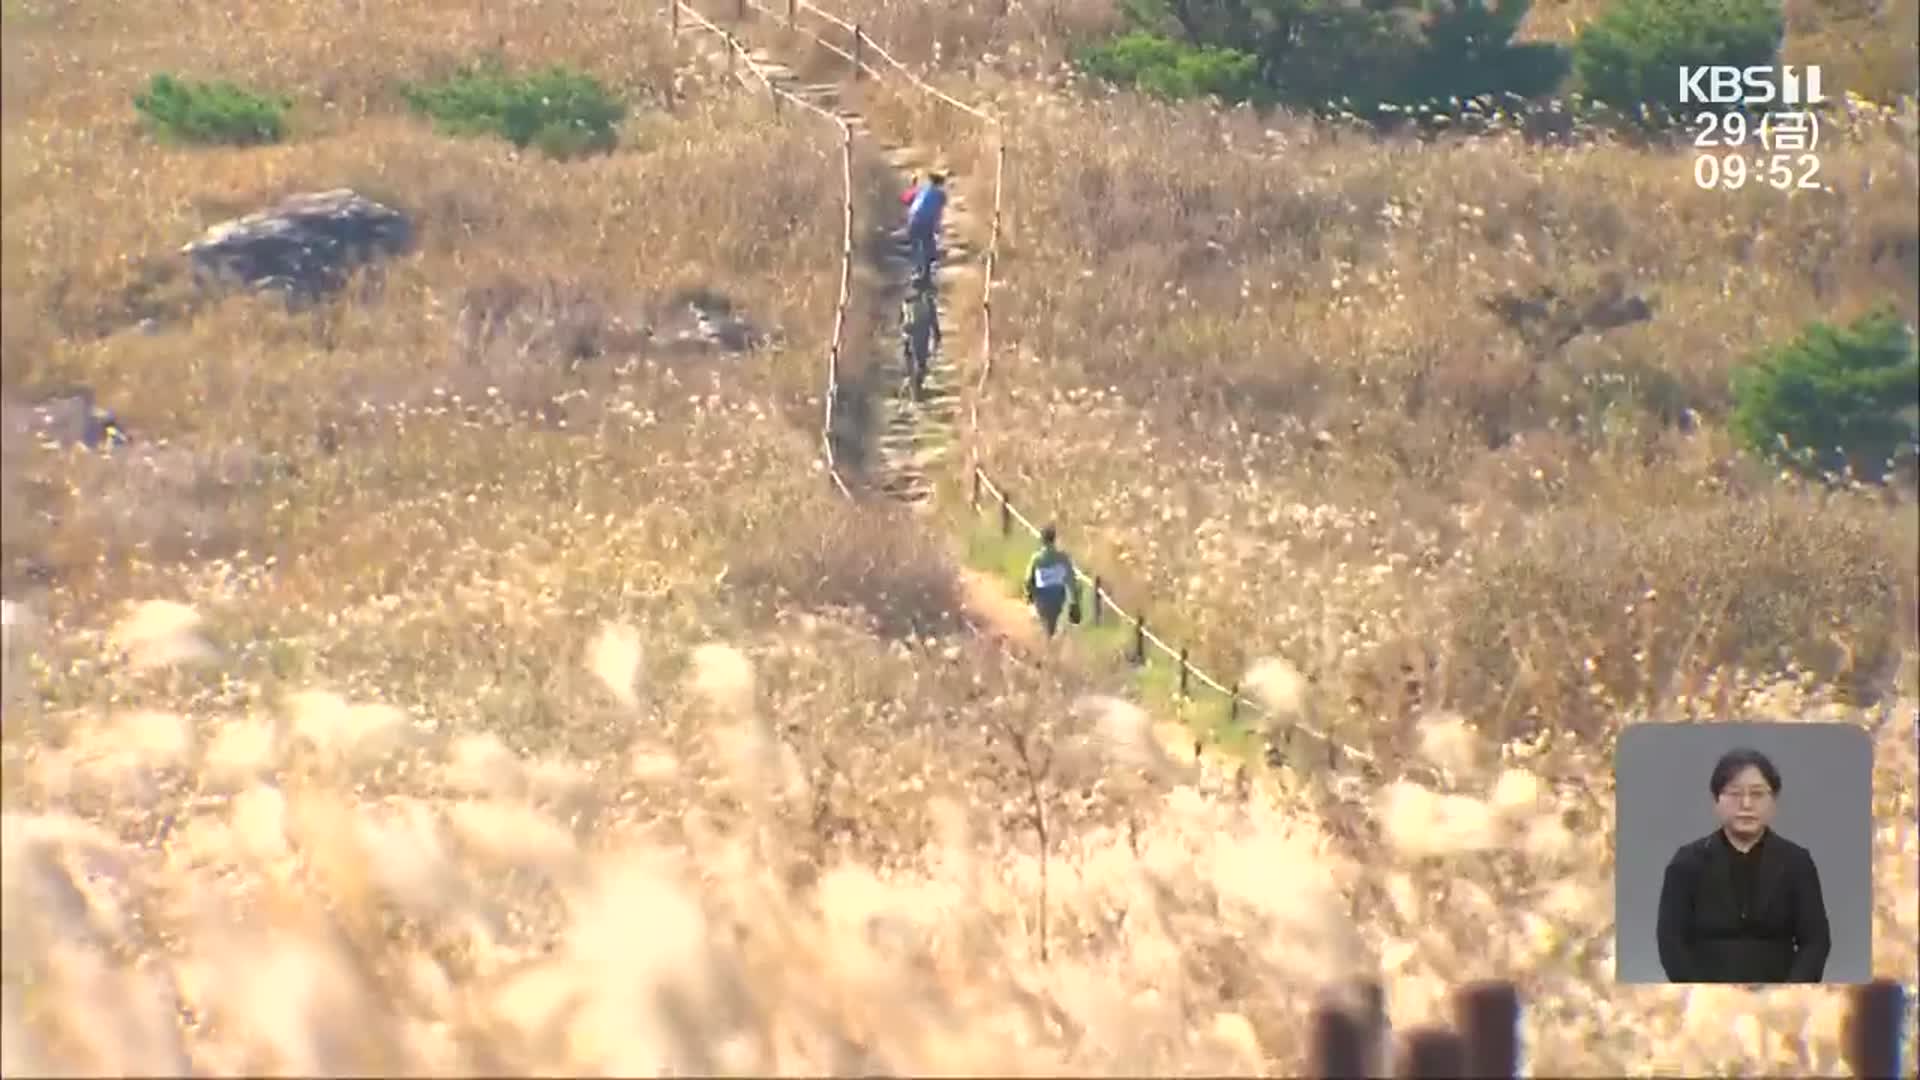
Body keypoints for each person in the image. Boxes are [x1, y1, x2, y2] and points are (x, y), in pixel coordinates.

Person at [1654, 747, 1831, 983]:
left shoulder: (1796, 862)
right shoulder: (1687, 862)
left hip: (1780, 1000)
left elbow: (1816, 941)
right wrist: (1698, 995)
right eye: (1735, 794)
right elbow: (1670, 941)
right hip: (1708, 1003)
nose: (1746, 804)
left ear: (1773, 802)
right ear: (1717, 801)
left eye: (1757, 794)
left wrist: (1791, 994)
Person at [1022, 524, 1083, 638]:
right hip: (1058, 596)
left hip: (1041, 596)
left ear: (1041, 540)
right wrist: (1074, 602)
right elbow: (1071, 579)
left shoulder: (1037, 558)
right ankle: (1051, 644)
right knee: (1054, 624)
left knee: (1043, 624)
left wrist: (1028, 594)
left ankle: (1046, 645)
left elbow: (1028, 579)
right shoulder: (1062, 557)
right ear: (1054, 539)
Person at [899, 274, 942, 399]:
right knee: (918, 364)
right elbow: (933, 320)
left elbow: (900, 320)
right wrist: (936, 334)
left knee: (914, 364)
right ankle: (914, 389)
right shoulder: (924, 302)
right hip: (918, 336)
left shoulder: (908, 301)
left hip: (913, 335)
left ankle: (914, 389)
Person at [903, 171, 947, 282]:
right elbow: (938, 211)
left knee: (916, 245)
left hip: (914, 218)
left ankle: (917, 270)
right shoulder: (941, 195)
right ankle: (926, 272)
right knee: (928, 244)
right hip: (927, 221)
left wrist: (913, 187)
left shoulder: (920, 190)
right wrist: (938, 227)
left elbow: (905, 199)